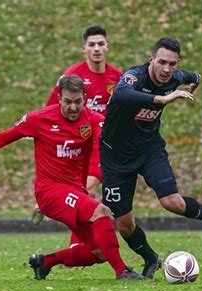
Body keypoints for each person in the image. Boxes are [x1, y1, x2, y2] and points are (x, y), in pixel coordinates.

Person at [0, 75, 144, 280]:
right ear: (59, 99)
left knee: (99, 253)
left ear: (85, 98)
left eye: (78, 102)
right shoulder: (38, 119)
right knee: (100, 210)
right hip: (50, 192)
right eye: (67, 102)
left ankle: (45, 262)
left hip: (75, 191)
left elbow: (117, 133)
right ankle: (122, 272)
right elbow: (6, 135)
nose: (73, 108)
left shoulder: (92, 120)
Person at [100, 37, 202, 279]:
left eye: (172, 64)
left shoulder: (177, 77)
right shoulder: (134, 77)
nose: (166, 69)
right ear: (151, 59)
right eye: (161, 62)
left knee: (173, 203)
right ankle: (151, 258)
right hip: (115, 157)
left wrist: (194, 84)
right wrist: (162, 99)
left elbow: (195, 76)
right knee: (124, 224)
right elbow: (121, 95)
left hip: (149, 149)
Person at [32, 24, 122, 225]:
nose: (96, 49)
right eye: (92, 45)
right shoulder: (71, 76)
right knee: (86, 192)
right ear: (85, 49)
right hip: (81, 146)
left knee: (100, 200)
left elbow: (124, 112)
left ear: (107, 46)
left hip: (107, 146)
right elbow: (50, 110)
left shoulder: (117, 77)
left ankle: (82, 241)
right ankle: (80, 243)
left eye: (100, 44)